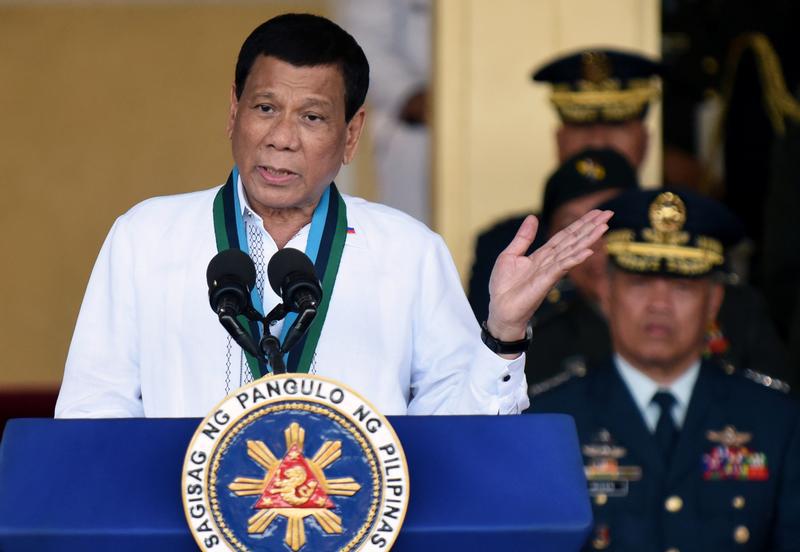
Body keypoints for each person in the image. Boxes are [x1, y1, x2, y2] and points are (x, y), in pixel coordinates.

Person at [54, 13, 610, 419]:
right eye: (265, 107)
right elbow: (91, 414)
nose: (280, 139)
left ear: (351, 135)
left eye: (313, 117)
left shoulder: (407, 251)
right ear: (233, 112)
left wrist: (504, 334)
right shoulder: (145, 238)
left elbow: (457, 435)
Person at [527, 188, 800, 551]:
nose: (659, 305)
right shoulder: (552, 418)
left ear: (714, 301)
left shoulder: (775, 421)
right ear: (606, 290)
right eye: (639, 283)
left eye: (682, 286)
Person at [468, 48, 661, 323]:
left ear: (645, 139)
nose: (598, 141)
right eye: (581, 126)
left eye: (617, 123)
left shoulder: (683, 234)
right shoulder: (508, 247)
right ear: (559, 139)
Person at [336, 0, 432, 223]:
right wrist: (409, 93)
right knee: (412, 233)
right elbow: (362, 41)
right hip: (413, 128)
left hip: (493, 109)